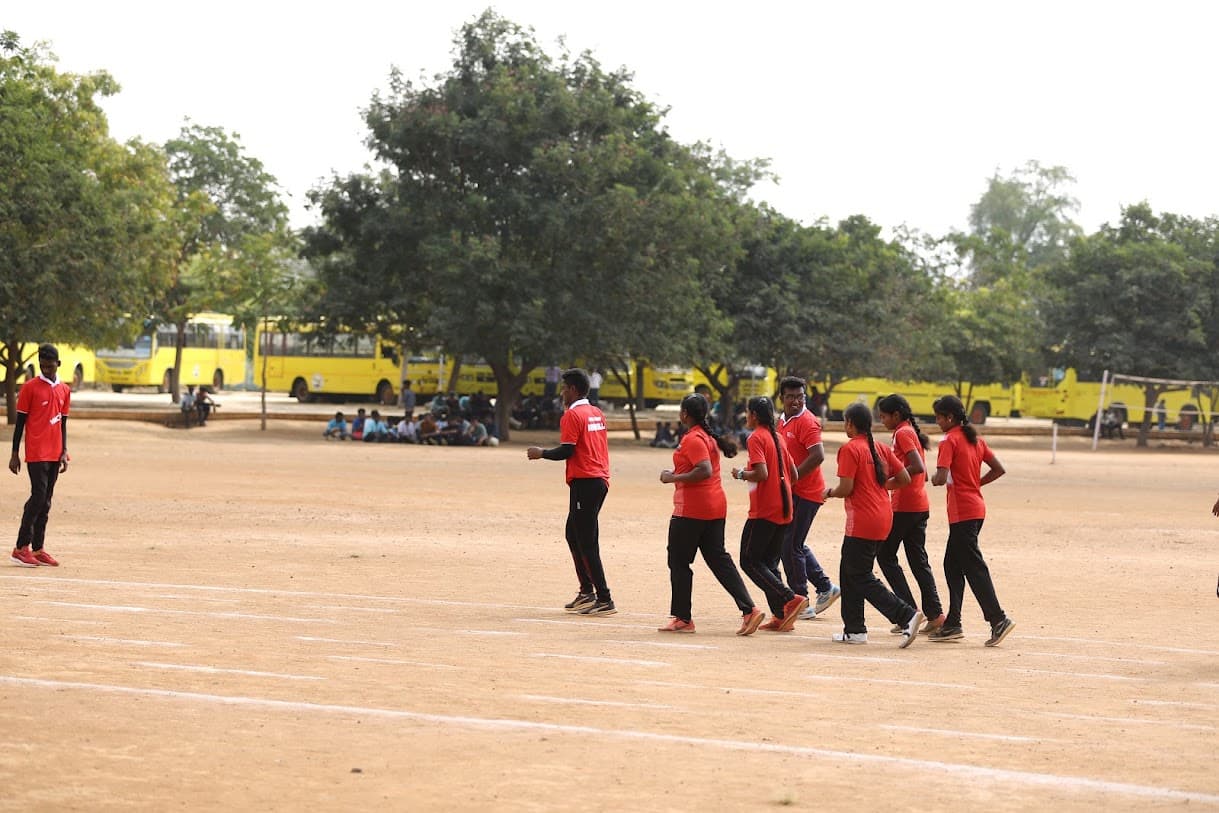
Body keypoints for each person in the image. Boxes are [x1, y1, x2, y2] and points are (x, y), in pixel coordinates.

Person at [658, 393, 765, 635]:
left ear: (685, 414)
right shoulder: (707, 437)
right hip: (715, 507)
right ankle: (749, 610)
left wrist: (672, 477)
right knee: (719, 560)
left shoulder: (693, 439)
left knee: (678, 561)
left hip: (692, 509)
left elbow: (704, 470)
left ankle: (683, 618)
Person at [822, 403, 923, 646]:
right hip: (883, 515)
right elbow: (905, 477)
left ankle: (905, 614)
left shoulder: (850, 449)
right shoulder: (880, 447)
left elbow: (846, 488)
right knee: (849, 572)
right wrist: (879, 488)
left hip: (863, 520)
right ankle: (855, 629)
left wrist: (829, 492)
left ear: (850, 423)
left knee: (859, 574)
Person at [927, 395, 1016, 647]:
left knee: (974, 567)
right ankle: (953, 622)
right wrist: (977, 483)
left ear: (950, 418)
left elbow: (941, 477)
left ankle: (998, 618)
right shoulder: (975, 440)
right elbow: (998, 469)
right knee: (952, 565)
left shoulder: (949, 441)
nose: (937, 422)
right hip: (976, 509)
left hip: (962, 512)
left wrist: (932, 478)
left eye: (939, 417)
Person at [526, 368, 616, 615]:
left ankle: (604, 598)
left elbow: (567, 450)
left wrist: (541, 453)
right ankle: (587, 591)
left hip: (586, 481)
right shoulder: (596, 412)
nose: (562, 392)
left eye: (564, 388)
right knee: (573, 534)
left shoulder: (572, 415)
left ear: (574, 390)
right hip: (598, 479)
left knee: (587, 541)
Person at [728, 396, 808, 632]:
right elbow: (793, 473)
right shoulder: (779, 438)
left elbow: (760, 473)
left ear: (754, 415)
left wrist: (741, 473)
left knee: (749, 560)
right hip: (784, 507)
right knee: (770, 564)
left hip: (765, 509)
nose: (746, 416)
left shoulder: (756, 438)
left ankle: (789, 598)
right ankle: (781, 614)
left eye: (747, 412)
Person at [875, 394, 945, 636]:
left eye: (884, 416)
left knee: (885, 555)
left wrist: (890, 482)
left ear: (896, 415)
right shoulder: (907, 431)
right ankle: (935, 614)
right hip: (918, 504)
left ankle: (908, 611)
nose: (881, 420)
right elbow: (922, 473)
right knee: (917, 560)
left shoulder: (903, 433)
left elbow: (917, 467)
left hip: (906, 506)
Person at [777, 376, 840, 621]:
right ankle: (825, 587)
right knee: (794, 542)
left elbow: (818, 455)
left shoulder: (807, 422)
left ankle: (800, 600)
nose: (795, 401)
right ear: (782, 398)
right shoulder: (782, 421)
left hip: (807, 492)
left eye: (800, 396)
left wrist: (792, 478)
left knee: (790, 545)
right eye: (791, 396)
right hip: (793, 492)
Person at [9, 343, 70, 568]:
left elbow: (63, 423)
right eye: (42, 366)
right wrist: (14, 452)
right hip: (35, 452)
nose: (46, 370)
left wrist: (64, 450)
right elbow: (20, 423)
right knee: (38, 496)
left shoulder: (64, 390)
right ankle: (20, 547)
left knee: (46, 501)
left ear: (58, 364)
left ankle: (38, 548)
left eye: (49, 366)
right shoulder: (29, 388)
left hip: (55, 453)